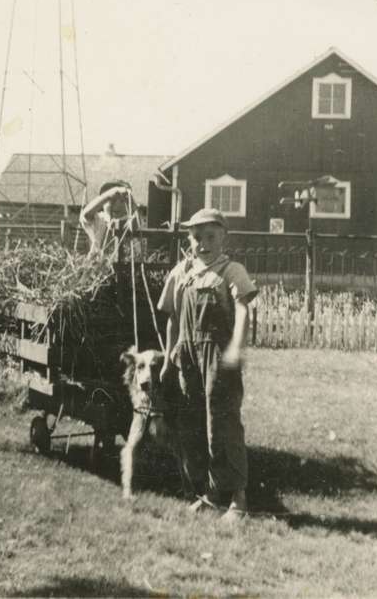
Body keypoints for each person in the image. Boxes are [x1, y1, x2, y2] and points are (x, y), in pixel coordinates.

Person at [157, 208, 257, 522]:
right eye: (197, 237)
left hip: (218, 357)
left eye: (210, 237)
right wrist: (168, 356)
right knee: (192, 425)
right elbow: (173, 318)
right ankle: (209, 493)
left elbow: (243, 311)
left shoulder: (231, 270)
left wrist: (236, 346)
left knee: (223, 425)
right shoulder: (182, 271)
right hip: (186, 356)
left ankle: (237, 498)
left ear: (223, 237)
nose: (203, 244)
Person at [78, 180, 138, 258]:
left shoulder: (129, 220)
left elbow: (136, 220)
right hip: (99, 266)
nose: (117, 205)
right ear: (102, 204)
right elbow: (85, 215)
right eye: (112, 200)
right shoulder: (99, 219)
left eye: (122, 201)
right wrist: (109, 195)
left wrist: (134, 218)